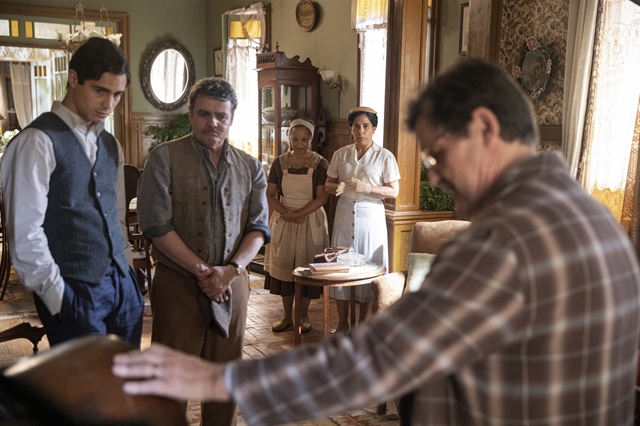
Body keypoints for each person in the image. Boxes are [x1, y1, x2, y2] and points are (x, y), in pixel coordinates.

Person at [113, 59, 640, 426]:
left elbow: (378, 358)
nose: (436, 176)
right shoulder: (597, 223)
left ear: (484, 128)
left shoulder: (502, 244)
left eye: (437, 155)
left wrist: (222, 385)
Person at [135, 77, 270, 426]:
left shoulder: (251, 167)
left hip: (233, 284)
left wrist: (230, 271)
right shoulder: (164, 158)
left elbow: (259, 228)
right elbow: (156, 225)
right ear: (191, 114)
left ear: (232, 117)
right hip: (178, 283)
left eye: (221, 116)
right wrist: (203, 272)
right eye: (204, 114)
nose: (213, 122)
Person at [1, 37, 143, 347]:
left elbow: (115, 216)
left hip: (122, 287)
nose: (109, 105)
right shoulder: (36, 141)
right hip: (72, 289)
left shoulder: (110, 144)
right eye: (100, 91)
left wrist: (128, 273)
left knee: (124, 388)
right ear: (73, 78)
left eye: (117, 95)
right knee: (84, 393)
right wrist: (59, 298)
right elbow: (25, 234)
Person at [324, 107, 400, 333]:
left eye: (366, 126)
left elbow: (394, 192)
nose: (361, 131)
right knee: (341, 267)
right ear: (350, 129)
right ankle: (342, 323)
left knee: (369, 267)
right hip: (345, 212)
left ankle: (363, 324)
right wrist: (335, 187)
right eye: (356, 126)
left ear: (374, 129)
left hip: (371, 216)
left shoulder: (384, 156)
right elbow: (327, 184)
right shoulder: (341, 154)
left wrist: (367, 187)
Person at [263, 118, 330, 333]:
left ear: (310, 139)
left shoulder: (320, 163)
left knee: (306, 268)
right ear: (288, 138)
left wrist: (298, 214)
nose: (299, 144)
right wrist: (287, 214)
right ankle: (286, 316)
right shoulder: (279, 162)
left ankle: (303, 316)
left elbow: (321, 198)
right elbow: (271, 194)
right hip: (285, 219)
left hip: (310, 220)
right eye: (294, 139)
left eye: (303, 139)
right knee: (285, 268)